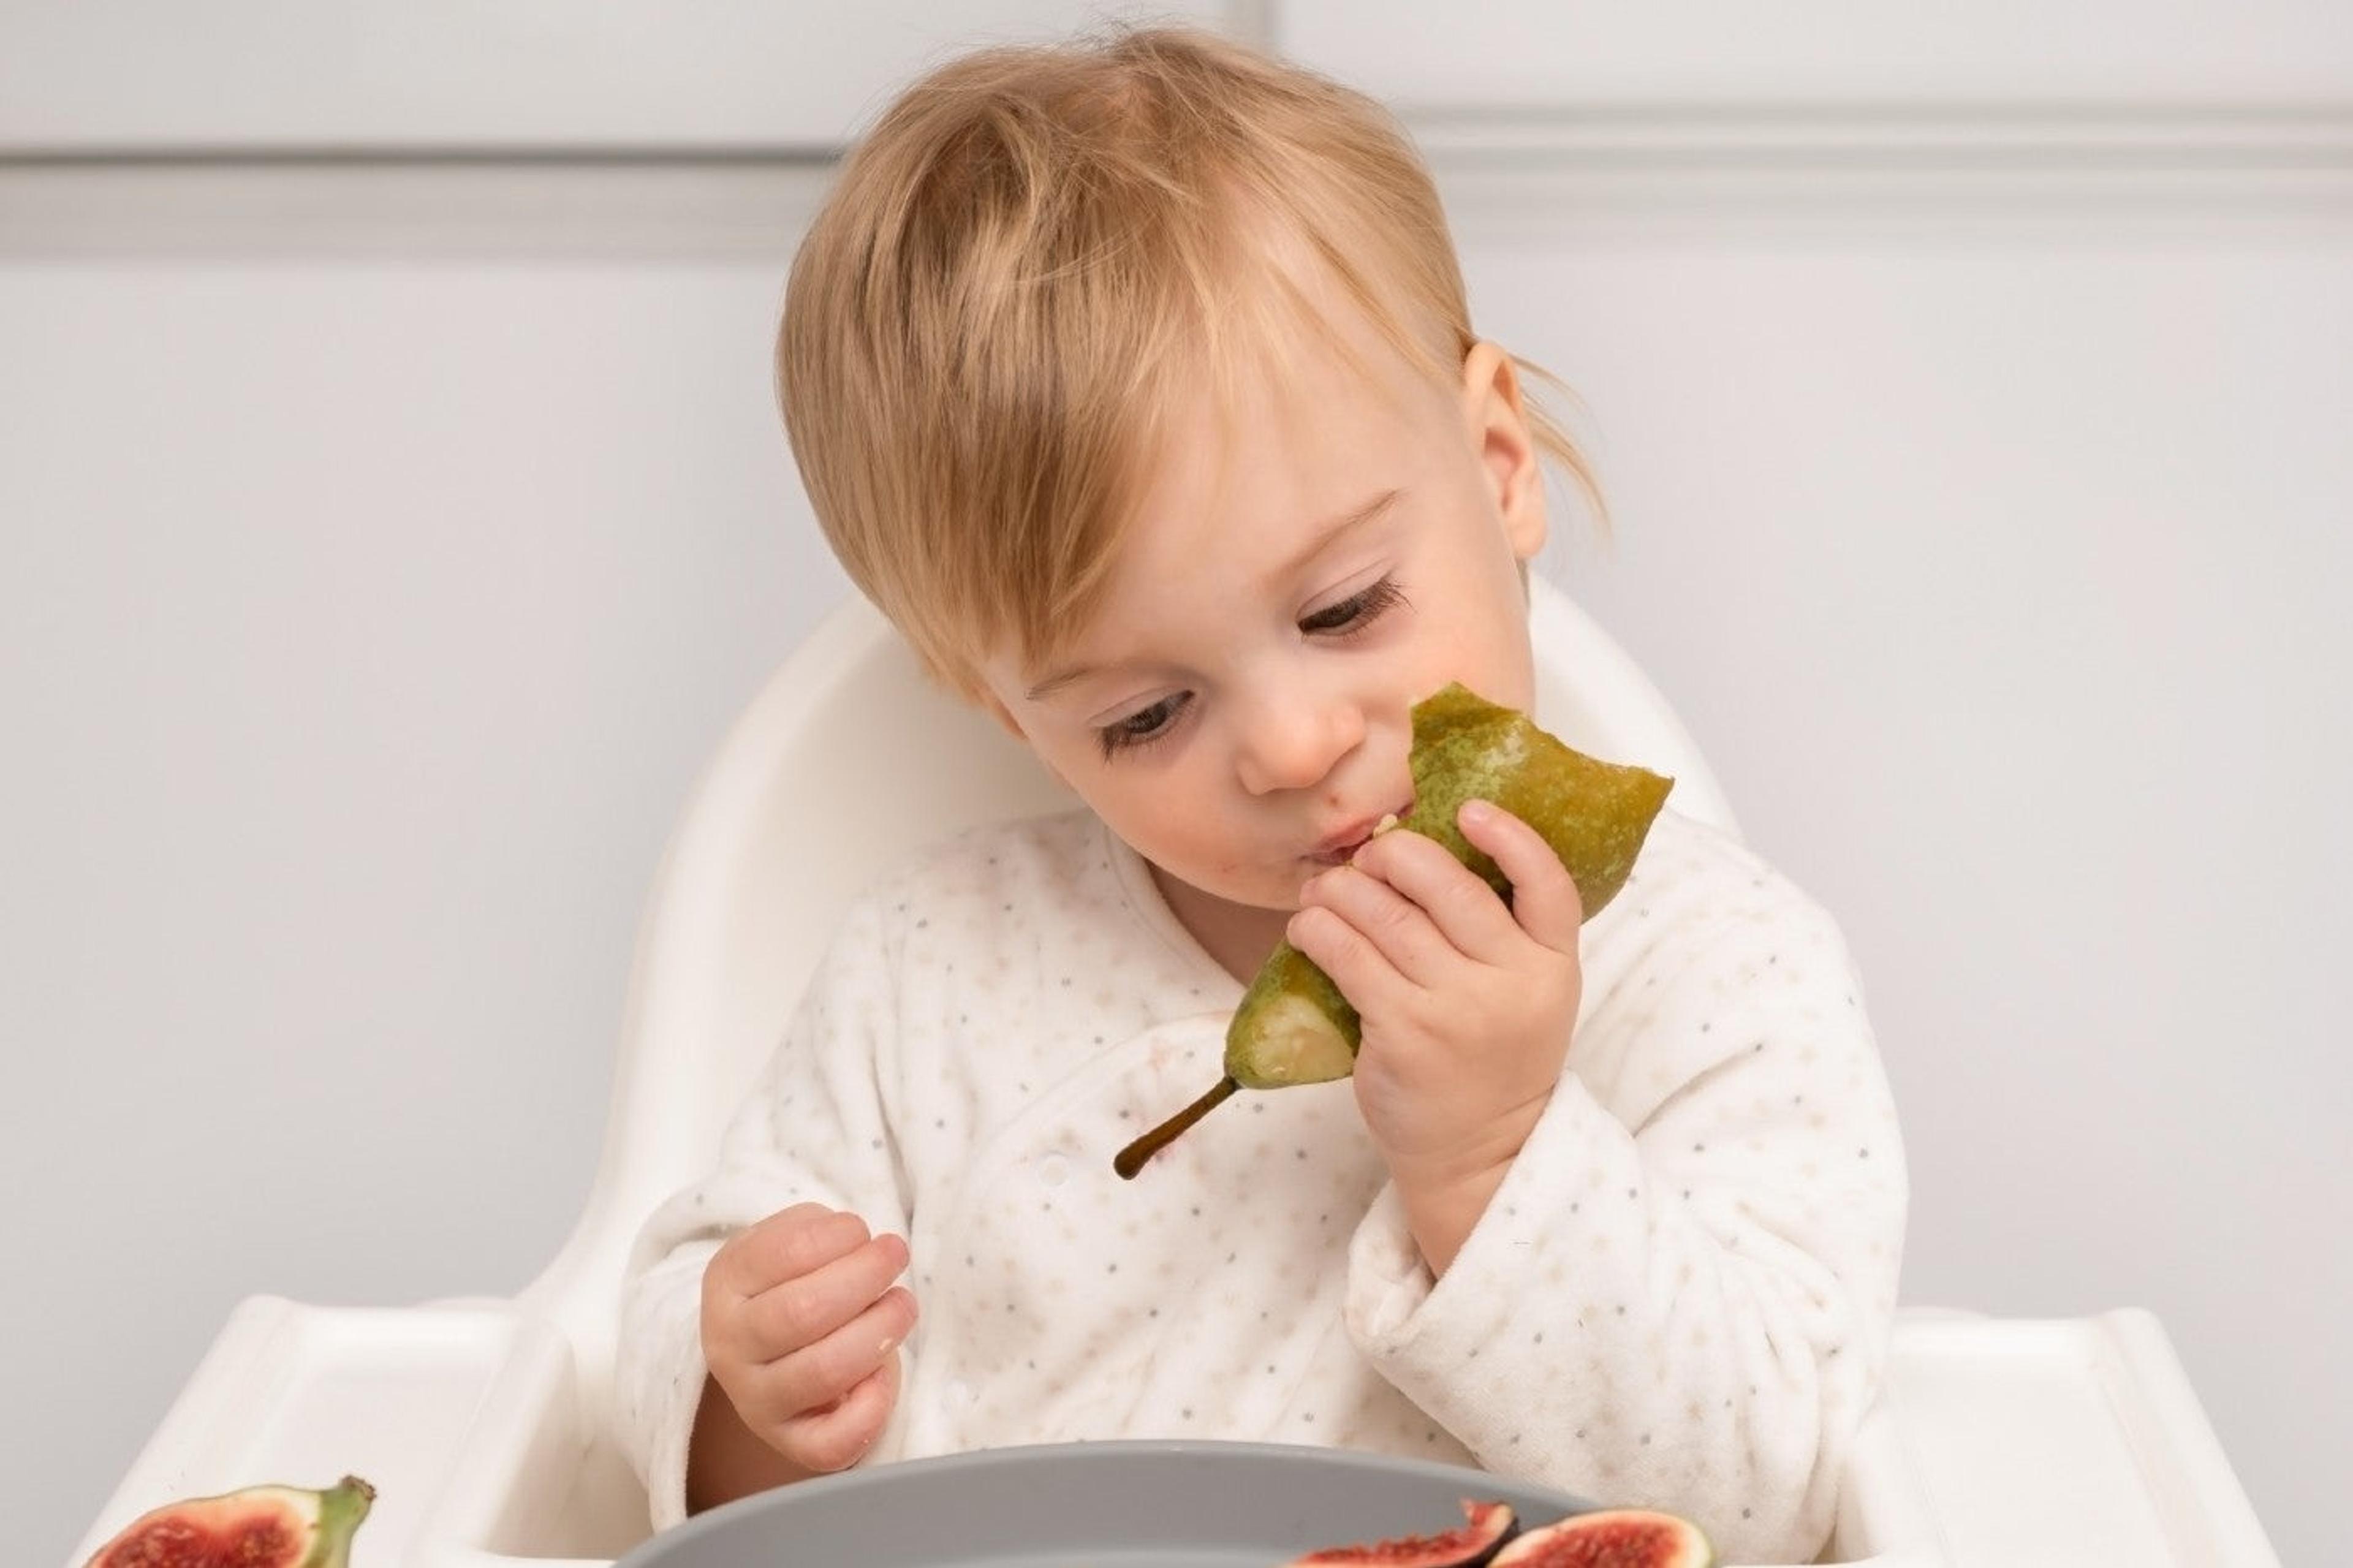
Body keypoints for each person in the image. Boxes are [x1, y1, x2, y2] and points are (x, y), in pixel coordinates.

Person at [615, 26, 1906, 1564]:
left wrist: (1494, 1156)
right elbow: (683, 1402)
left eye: (1347, 607)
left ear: (1497, 464)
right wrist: (747, 1386)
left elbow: (1768, 1499)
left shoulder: (1715, 970)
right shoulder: (929, 968)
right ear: (1010, 714)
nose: (1292, 748)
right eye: (1147, 712)